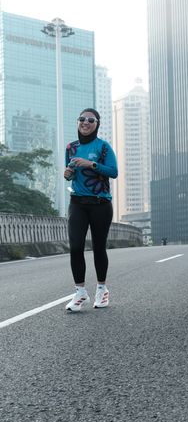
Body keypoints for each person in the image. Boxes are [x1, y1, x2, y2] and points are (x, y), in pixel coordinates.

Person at [64, 109, 118, 311]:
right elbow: (70, 174)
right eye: (82, 119)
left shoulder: (103, 147)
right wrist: (68, 173)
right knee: (76, 247)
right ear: (77, 122)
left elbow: (113, 172)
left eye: (90, 120)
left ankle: (102, 289)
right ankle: (80, 292)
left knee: (98, 247)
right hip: (77, 202)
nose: (85, 122)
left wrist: (91, 164)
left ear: (97, 124)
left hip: (100, 203)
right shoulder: (71, 147)